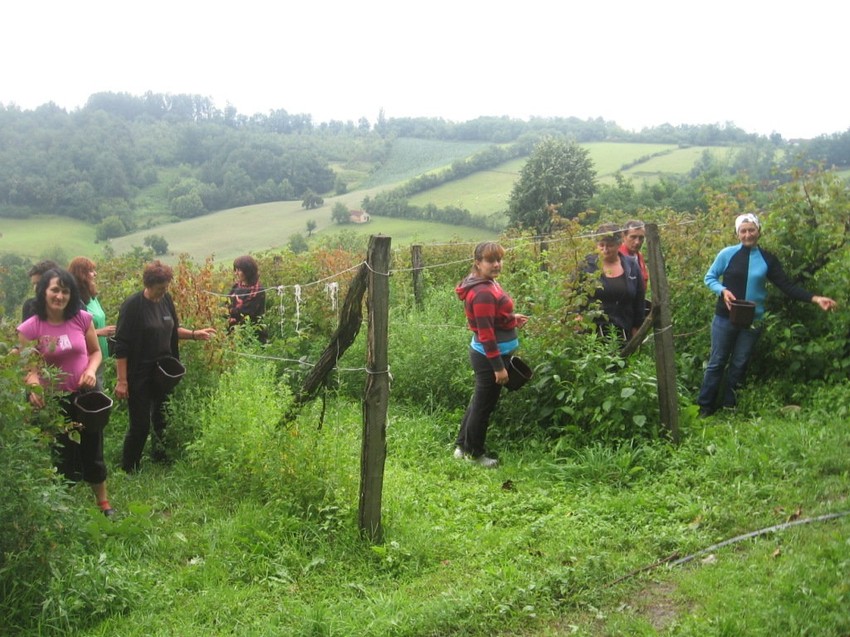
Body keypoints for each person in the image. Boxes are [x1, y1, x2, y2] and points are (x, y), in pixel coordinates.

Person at [697, 213, 837, 417]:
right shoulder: (727, 254)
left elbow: (787, 286)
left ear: (758, 231)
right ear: (737, 233)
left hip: (753, 321)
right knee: (717, 361)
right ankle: (704, 408)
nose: (747, 235)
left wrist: (815, 299)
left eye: (751, 230)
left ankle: (729, 407)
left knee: (739, 363)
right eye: (743, 231)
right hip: (724, 318)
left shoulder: (767, 259)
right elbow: (709, 278)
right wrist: (722, 290)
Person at [16, 268, 115, 517]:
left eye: (65, 291)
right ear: (43, 292)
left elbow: (95, 351)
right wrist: (33, 383)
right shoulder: (30, 328)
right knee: (61, 455)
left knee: (93, 449)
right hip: (53, 401)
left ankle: (104, 504)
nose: (60, 296)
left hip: (85, 395)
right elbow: (29, 366)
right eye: (55, 290)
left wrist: (92, 370)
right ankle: (63, 510)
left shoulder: (82, 318)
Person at [113, 260, 216, 472]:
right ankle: (129, 467)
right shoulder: (133, 306)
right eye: (160, 289)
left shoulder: (166, 300)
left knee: (162, 418)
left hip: (163, 370)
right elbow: (121, 345)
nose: (163, 292)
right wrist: (122, 381)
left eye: (166, 288)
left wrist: (196, 334)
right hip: (139, 372)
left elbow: (172, 329)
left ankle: (160, 457)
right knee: (140, 425)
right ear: (149, 285)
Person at [453, 242, 528, 468]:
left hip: (490, 355)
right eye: (490, 260)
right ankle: (475, 455)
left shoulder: (486, 282)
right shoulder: (483, 291)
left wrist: (511, 319)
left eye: (499, 259)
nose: (496, 264)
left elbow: (492, 319)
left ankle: (462, 446)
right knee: (484, 405)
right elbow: (486, 334)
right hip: (489, 358)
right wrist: (498, 367)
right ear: (478, 263)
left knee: (479, 401)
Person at [580, 223, 646, 341]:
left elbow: (639, 299)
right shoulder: (586, 265)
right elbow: (574, 296)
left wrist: (637, 327)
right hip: (592, 335)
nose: (605, 249)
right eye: (601, 245)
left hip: (624, 332)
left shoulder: (631, 265)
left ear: (619, 244)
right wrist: (577, 317)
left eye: (610, 245)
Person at [68, 257, 116, 390]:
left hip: (99, 355)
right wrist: (100, 332)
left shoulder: (92, 297)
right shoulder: (75, 301)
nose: (95, 274)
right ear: (81, 274)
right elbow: (71, 332)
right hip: (86, 359)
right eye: (91, 271)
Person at [227, 255, 267, 343]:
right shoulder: (236, 286)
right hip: (233, 333)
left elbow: (246, 312)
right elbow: (226, 304)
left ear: (248, 271)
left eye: (239, 270)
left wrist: (231, 313)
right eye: (235, 270)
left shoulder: (257, 290)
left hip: (252, 335)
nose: (236, 273)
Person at [619, 220, 649, 287]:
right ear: (623, 236)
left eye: (641, 238)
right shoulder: (618, 257)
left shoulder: (639, 256)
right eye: (633, 237)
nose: (637, 242)